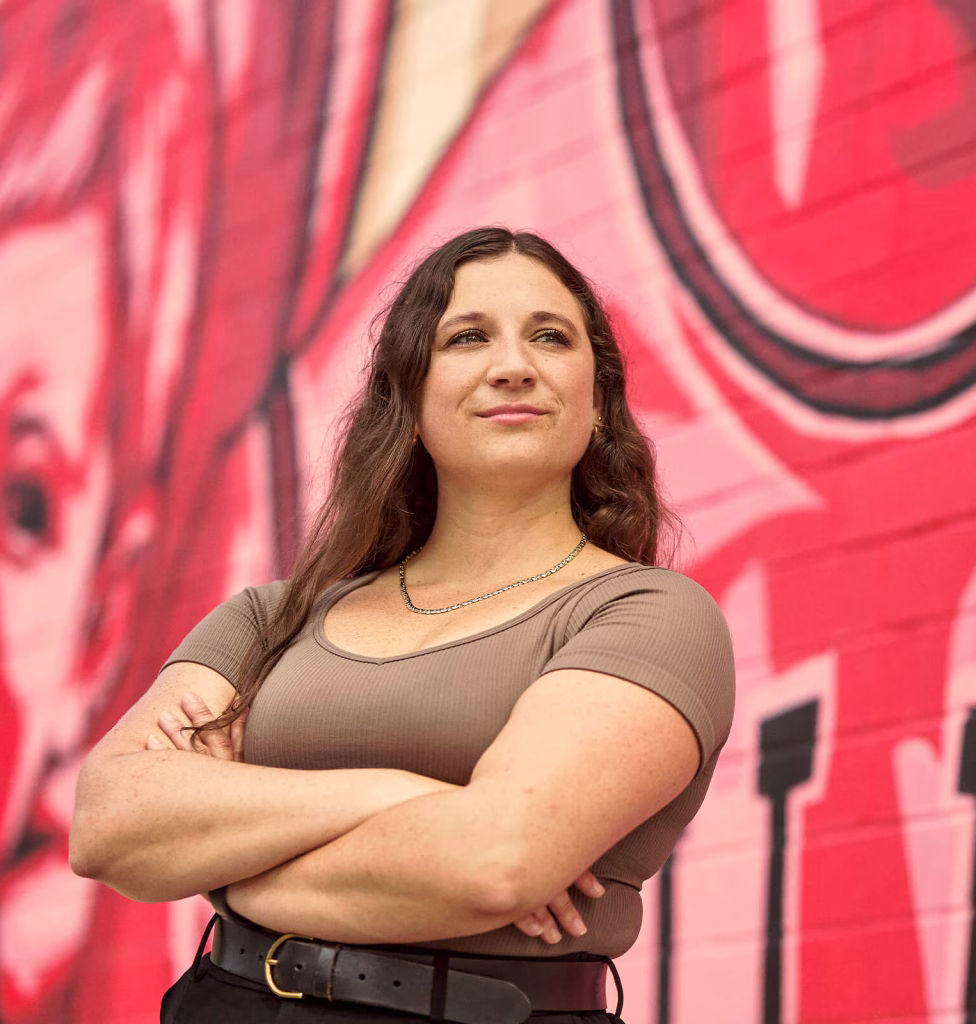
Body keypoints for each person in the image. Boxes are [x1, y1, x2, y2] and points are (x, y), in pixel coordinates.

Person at [69, 227, 736, 1024]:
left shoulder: (648, 615)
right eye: (468, 337)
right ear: (410, 403)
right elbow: (109, 824)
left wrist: (218, 862)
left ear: (598, 403)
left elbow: (494, 861)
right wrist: (407, 796)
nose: (514, 364)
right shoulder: (270, 619)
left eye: (550, 337)